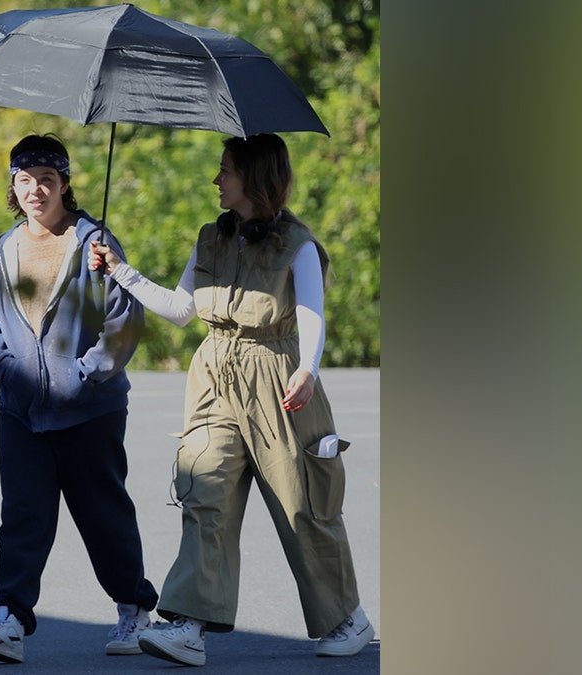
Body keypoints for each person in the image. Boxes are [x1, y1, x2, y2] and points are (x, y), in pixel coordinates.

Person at [88, 133, 372, 666]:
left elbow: (312, 312)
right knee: (205, 490)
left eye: (226, 170)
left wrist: (308, 369)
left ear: (255, 179)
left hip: (279, 374)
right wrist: (120, 272)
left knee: (301, 503)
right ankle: (188, 627)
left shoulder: (298, 245)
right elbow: (180, 309)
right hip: (215, 373)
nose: (217, 180)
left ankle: (346, 619)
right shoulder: (210, 239)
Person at [0, 134, 159, 664]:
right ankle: (10, 620)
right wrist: (8, 371)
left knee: (102, 516)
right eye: (25, 180)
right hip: (22, 410)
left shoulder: (96, 244)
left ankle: (134, 606)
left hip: (90, 409)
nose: (35, 190)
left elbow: (124, 322)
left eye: (47, 179)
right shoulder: (2, 251)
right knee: (23, 515)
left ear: (65, 184)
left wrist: (86, 375)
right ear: (13, 186)